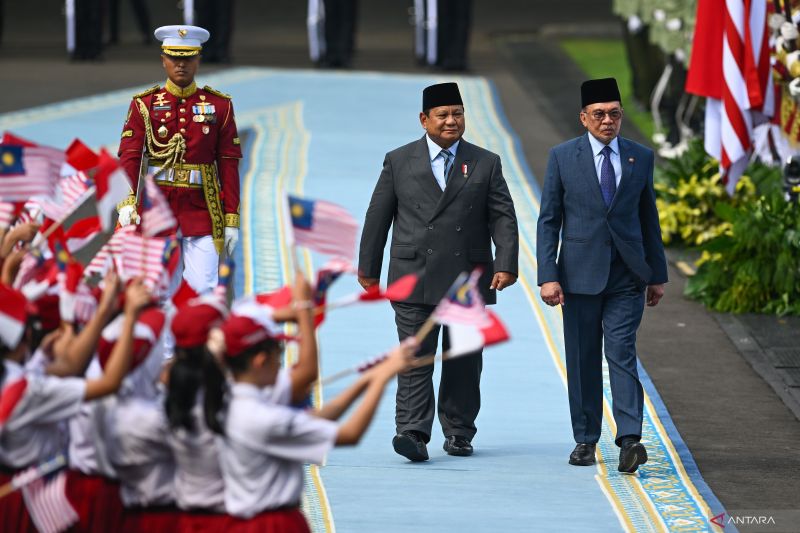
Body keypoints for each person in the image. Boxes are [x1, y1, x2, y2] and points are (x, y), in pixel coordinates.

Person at [358, 82, 518, 461]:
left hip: (468, 276)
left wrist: (506, 263)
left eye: (457, 113)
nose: (451, 121)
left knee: (463, 358)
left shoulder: (485, 161)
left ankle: (459, 431)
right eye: (443, 115)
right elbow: (377, 216)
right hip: (413, 273)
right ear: (424, 120)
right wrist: (369, 268)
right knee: (415, 355)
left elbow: (503, 216)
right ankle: (412, 432)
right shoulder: (399, 160)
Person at [536, 77, 668, 473]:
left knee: (622, 353)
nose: (607, 121)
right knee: (583, 358)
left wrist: (656, 274)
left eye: (614, 114)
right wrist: (548, 275)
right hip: (578, 277)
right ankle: (585, 439)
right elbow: (549, 220)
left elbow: (649, 219)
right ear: (583, 118)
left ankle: (630, 439)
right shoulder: (562, 157)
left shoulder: (639, 157)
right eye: (599, 114)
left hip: (627, 276)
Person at [213, 306, 417, 531]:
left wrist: (367, 379)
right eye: (278, 354)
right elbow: (349, 434)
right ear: (260, 360)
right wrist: (382, 378)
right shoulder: (262, 418)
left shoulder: (226, 398)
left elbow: (318, 417)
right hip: (272, 522)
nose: (281, 363)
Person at [117, 24, 242, 295]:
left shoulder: (219, 106)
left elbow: (229, 165)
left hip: (203, 209)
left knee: (203, 292)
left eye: (187, 58)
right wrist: (126, 202)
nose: (181, 65)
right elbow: (129, 157)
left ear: (198, 60)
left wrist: (232, 218)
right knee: (159, 293)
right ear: (163, 61)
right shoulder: (144, 104)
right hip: (158, 210)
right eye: (174, 57)